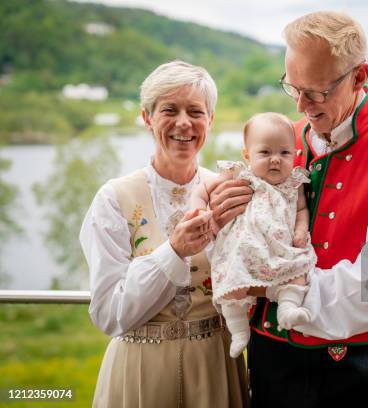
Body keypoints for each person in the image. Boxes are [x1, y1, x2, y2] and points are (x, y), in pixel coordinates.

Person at [208, 11, 368, 408]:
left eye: (316, 92)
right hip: (267, 357)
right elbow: (246, 227)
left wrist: (272, 284)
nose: (302, 105)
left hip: (346, 367)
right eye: (292, 87)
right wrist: (224, 212)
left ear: (359, 76)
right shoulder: (282, 141)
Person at [80, 60, 248, 408]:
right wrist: (173, 251)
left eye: (196, 112)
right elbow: (110, 315)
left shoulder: (228, 193)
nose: (184, 123)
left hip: (215, 366)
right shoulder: (113, 199)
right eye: (169, 110)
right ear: (147, 117)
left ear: (211, 120)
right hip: (139, 371)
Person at [190, 112, 316, 359]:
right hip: (245, 246)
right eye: (265, 153)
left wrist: (301, 230)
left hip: (281, 245)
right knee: (232, 284)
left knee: (299, 269)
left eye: (284, 153)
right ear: (247, 155)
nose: (276, 160)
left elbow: (301, 209)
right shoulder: (240, 176)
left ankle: (288, 309)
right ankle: (238, 330)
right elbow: (203, 190)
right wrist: (201, 210)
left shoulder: (294, 181)